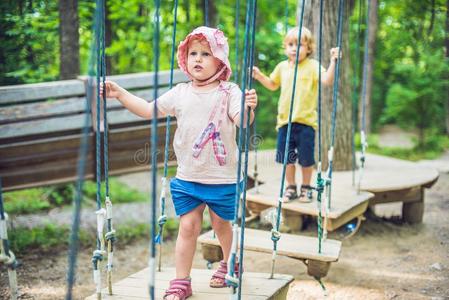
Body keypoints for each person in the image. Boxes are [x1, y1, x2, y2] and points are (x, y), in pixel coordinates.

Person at [101, 26, 257, 300]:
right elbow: (149, 110)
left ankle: (230, 261)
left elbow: (242, 121)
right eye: (193, 53)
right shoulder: (180, 92)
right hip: (188, 177)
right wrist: (121, 94)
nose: (198, 58)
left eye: (206, 54)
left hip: (222, 179)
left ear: (220, 61)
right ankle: (181, 281)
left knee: (221, 225)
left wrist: (248, 106)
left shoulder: (230, 91)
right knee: (188, 227)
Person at [252, 26, 340, 202]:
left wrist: (333, 61)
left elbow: (327, 80)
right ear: (285, 47)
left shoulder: (313, 66)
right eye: (291, 44)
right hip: (285, 123)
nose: (294, 48)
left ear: (308, 49)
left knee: (306, 160)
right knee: (288, 159)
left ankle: (306, 188)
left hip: (306, 123)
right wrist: (260, 76)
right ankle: (290, 187)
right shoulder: (282, 67)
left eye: (300, 44)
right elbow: (272, 84)